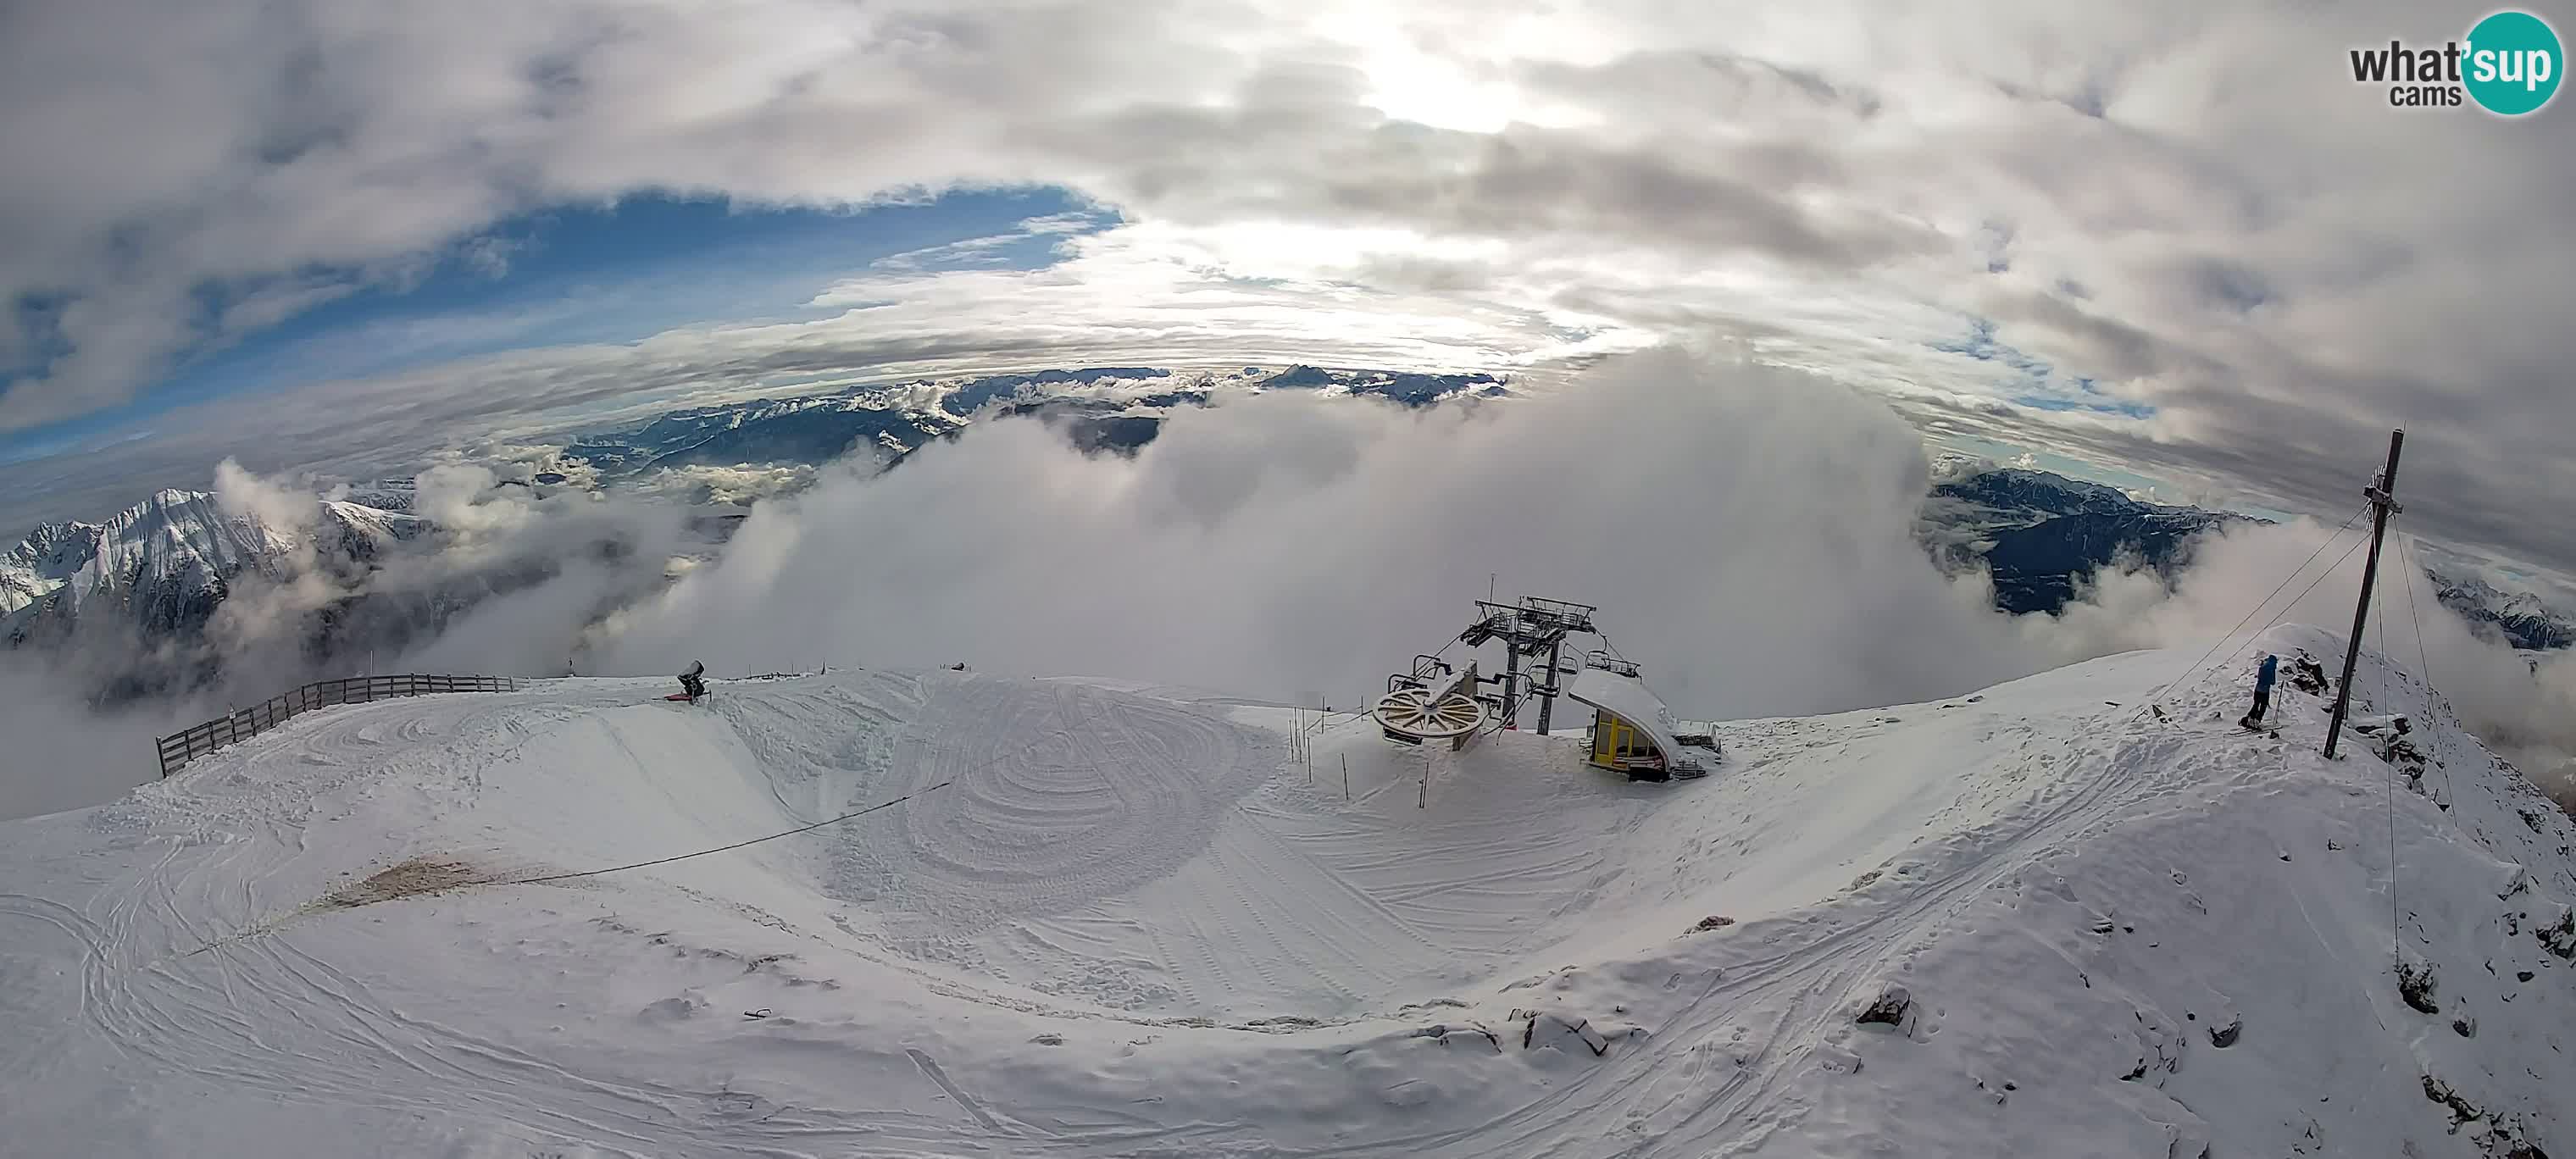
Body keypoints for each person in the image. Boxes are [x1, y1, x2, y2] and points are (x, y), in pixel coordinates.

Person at [2241, 653, 2277, 729]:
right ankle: (2257, 721)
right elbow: (2273, 682)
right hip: (2265, 691)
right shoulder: (2271, 669)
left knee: (2256, 705)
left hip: (2257, 689)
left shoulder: (2262, 667)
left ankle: (2250, 719)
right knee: (2263, 707)